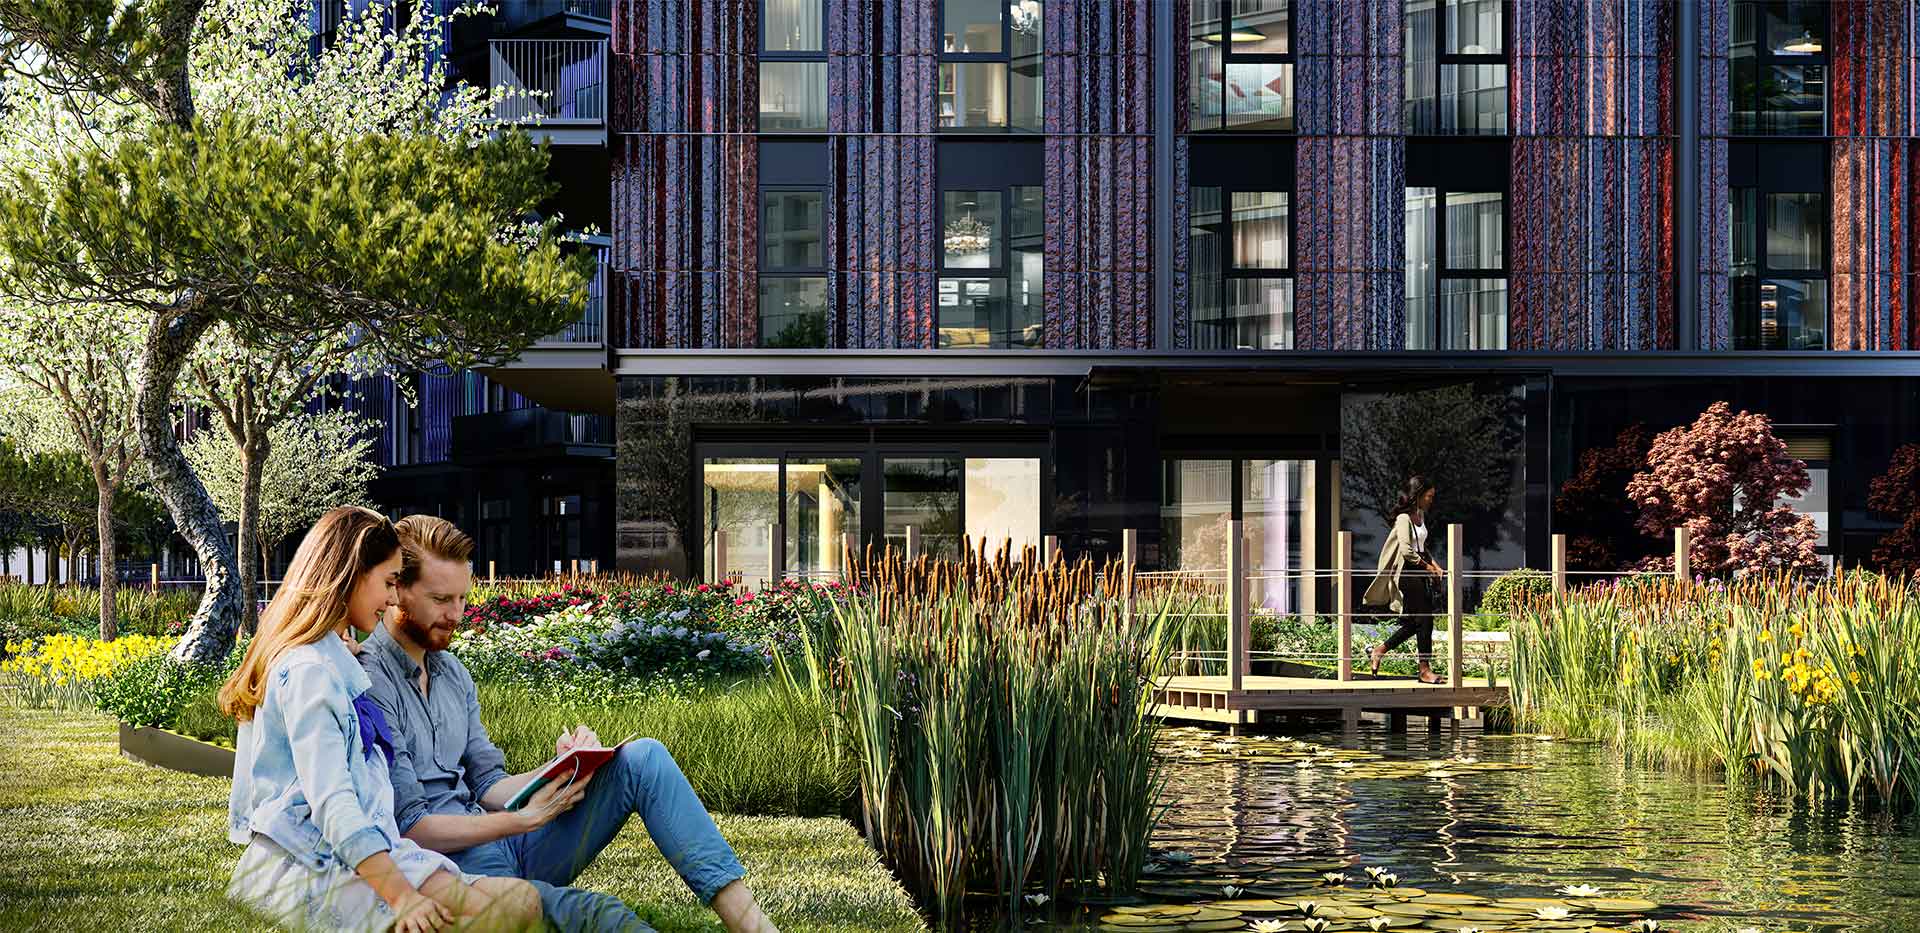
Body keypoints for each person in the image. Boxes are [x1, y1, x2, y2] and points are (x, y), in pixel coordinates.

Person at [357, 514, 778, 933]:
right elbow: (409, 827)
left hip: (508, 842)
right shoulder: (368, 680)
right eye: (440, 599)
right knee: (607, 919)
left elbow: (489, 785)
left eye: (462, 599)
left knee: (644, 757)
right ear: (397, 591)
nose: (456, 614)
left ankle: (751, 925)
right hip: (451, 868)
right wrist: (522, 820)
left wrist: (564, 768)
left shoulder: (453, 674)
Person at [222, 506, 543, 933]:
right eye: (389, 583)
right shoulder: (309, 673)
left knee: (521, 902)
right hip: (310, 864)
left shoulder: (334, 660)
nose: (393, 599)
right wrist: (404, 899)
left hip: (372, 848)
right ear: (351, 574)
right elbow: (335, 804)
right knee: (466, 922)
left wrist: (343, 653)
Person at [1361, 476, 1445, 684]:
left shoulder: (1421, 515)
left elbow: (1421, 546)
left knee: (1416, 622)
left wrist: (1435, 565)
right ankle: (1424, 670)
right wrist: (1427, 567)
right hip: (1408, 573)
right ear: (1417, 496)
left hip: (1420, 571)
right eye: (1429, 496)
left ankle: (1380, 650)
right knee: (1425, 619)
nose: (1431, 500)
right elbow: (1407, 550)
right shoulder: (1403, 519)